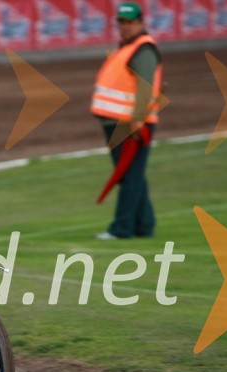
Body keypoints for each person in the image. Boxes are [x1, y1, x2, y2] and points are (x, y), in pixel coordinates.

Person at [91, 1, 163, 240]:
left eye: (130, 22)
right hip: (119, 123)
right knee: (132, 176)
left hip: (130, 124)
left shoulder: (142, 49)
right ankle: (144, 225)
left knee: (129, 177)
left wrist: (137, 120)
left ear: (140, 23)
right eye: (121, 22)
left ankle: (122, 229)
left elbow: (146, 87)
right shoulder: (126, 47)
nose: (125, 27)